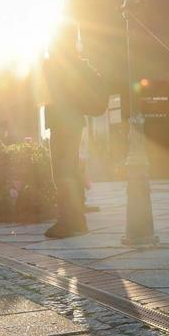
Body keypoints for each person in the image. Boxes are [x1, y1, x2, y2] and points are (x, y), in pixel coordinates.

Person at [43, 21, 103, 238]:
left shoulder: (57, 63)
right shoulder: (73, 61)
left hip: (63, 123)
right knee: (70, 170)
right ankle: (77, 221)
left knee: (62, 173)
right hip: (72, 122)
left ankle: (68, 222)